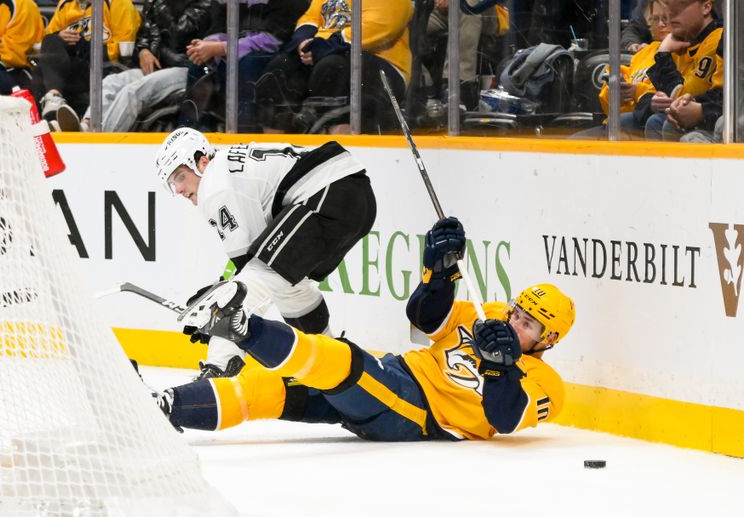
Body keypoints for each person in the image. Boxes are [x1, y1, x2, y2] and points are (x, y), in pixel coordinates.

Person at [156, 218, 575, 441]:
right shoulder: (488, 316)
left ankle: (240, 327)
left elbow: (503, 420)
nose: (512, 320)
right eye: (517, 310)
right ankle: (163, 407)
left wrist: (499, 368)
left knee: (339, 359)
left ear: (547, 340)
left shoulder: (545, 384)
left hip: (416, 414)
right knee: (268, 389)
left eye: (526, 323)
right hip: (397, 373)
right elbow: (425, 319)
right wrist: (439, 273)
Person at [154, 127, 376, 378]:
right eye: (173, 184)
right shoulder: (227, 168)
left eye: (181, 177)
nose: (180, 190)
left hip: (328, 192)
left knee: (243, 293)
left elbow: (248, 275)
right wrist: (217, 294)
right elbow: (257, 264)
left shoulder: (215, 184)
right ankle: (331, 365)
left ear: (202, 161)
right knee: (286, 286)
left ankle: (219, 369)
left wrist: (215, 307)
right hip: (350, 192)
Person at [254, 0, 413, 135]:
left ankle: (341, 144)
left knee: (333, 67)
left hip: (381, 63)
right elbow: (311, 17)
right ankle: (276, 147)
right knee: (281, 66)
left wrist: (328, 45)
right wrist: (305, 40)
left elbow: (382, 25)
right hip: (327, 52)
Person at [55, 0, 215, 131]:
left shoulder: (207, 4)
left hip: (188, 70)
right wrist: (143, 51)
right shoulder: (156, 2)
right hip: (157, 67)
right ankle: (86, 126)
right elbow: (145, 33)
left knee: (132, 92)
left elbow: (180, 32)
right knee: (111, 82)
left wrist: (164, 6)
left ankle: (103, 139)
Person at [176, 0, 309, 133]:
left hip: (279, 55)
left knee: (247, 64)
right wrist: (206, 46)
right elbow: (218, 27)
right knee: (198, 63)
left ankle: (245, 134)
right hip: (235, 49)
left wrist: (222, 48)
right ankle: (188, 132)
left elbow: (275, 39)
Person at [570, 0, 671, 139]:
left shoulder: (680, 53)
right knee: (573, 141)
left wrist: (637, 91)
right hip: (616, 126)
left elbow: (669, 96)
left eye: (666, 19)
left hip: (638, 129)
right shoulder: (643, 53)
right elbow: (609, 107)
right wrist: (615, 93)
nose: (660, 25)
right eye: (655, 19)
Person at [35, 0, 141, 122]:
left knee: (42, 73)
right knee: (46, 52)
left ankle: (53, 110)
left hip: (105, 66)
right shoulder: (66, 4)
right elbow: (48, 43)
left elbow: (124, 49)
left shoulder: (119, 3)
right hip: (76, 65)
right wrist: (59, 35)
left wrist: (85, 46)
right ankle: (53, 102)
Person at [640, 0, 722, 141]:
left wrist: (663, 54)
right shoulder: (681, 40)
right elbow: (655, 93)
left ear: (706, 7)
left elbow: (681, 98)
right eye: (668, 6)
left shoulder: (718, 39)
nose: (670, 14)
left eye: (682, 4)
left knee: (659, 123)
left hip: (718, 120)